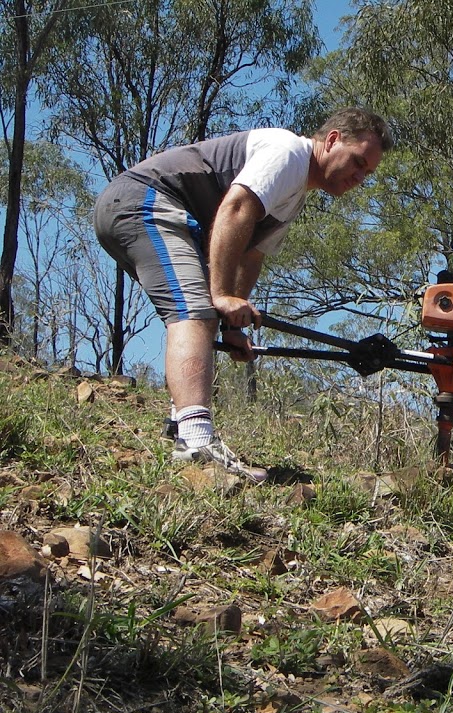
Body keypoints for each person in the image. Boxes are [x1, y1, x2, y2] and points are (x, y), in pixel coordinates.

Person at [94, 107, 394, 482]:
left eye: (368, 172)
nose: (360, 177)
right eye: (358, 162)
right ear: (332, 140)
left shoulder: (296, 195)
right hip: (144, 201)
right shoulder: (288, 152)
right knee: (196, 312)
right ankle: (195, 441)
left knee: (199, 312)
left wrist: (232, 326)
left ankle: (180, 426)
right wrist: (220, 296)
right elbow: (235, 209)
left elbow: (251, 256)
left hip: (155, 212)